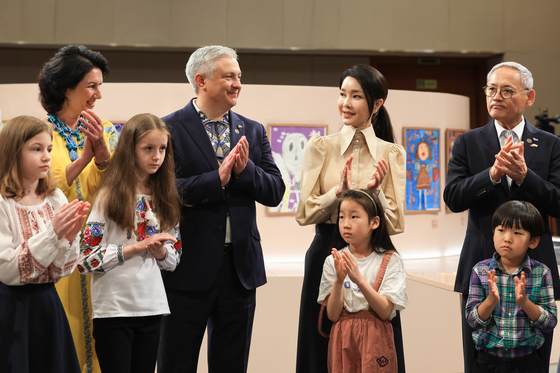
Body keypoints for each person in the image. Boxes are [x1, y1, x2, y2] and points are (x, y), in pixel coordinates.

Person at [157, 45, 285, 373]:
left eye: (239, 76)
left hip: (239, 271)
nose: (237, 83)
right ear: (201, 80)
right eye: (229, 76)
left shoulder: (252, 130)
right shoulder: (168, 129)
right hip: (185, 270)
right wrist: (217, 179)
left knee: (232, 365)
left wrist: (246, 171)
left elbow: (275, 191)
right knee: (176, 362)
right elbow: (164, 192)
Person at [444, 61, 560, 372]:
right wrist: (492, 174)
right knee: (478, 359)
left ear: (529, 97)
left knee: (536, 357)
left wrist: (526, 177)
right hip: (482, 260)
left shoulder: (550, 145)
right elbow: (452, 198)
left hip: (535, 266)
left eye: (507, 90)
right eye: (491, 90)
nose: (496, 96)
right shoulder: (468, 142)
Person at [295, 64, 406, 373]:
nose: (346, 103)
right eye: (342, 94)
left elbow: (395, 223)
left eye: (356, 96)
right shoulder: (321, 147)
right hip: (325, 251)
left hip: (376, 255)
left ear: (377, 104)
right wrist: (337, 193)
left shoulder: (392, 152)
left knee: (376, 349)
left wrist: (377, 193)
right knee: (318, 346)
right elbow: (304, 213)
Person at [78, 114, 182, 373]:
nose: (156, 156)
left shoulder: (165, 196)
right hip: (114, 310)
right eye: (148, 149)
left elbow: (174, 258)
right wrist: (135, 247)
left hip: (151, 306)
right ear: (129, 150)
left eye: (162, 149)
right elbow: (86, 258)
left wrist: (159, 252)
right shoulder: (108, 197)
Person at [38, 44, 118, 372]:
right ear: (67, 88)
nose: (98, 94)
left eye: (100, 85)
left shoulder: (108, 131)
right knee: (59, 335)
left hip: (100, 249)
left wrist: (101, 155)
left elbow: (116, 190)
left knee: (103, 339)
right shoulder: (37, 134)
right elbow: (43, 187)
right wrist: (83, 159)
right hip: (54, 250)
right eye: (91, 85)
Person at [0, 116, 90, 373]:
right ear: (13, 152)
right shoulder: (3, 201)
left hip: (47, 304)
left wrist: (69, 238)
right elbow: (7, 269)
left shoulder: (54, 197)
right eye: (36, 149)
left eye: (49, 149)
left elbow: (62, 270)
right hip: (11, 307)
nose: (46, 157)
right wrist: (52, 235)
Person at [318, 189, 406, 372]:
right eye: (341, 217)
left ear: (374, 222)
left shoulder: (390, 260)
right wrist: (339, 281)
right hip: (342, 340)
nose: (346, 224)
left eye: (354, 217)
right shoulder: (332, 261)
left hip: (376, 339)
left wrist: (359, 280)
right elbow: (333, 315)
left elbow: (384, 311)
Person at [466, 200, 557, 373]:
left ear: (533, 241)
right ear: (493, 233)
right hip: (487, 362)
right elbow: (472, 320)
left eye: (517, 232)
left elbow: (550, 322)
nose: (507, 238)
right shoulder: (480, 270)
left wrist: (525, 303)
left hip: (527, 363)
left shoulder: (541, 273)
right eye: (501, 230)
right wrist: (490, 301)